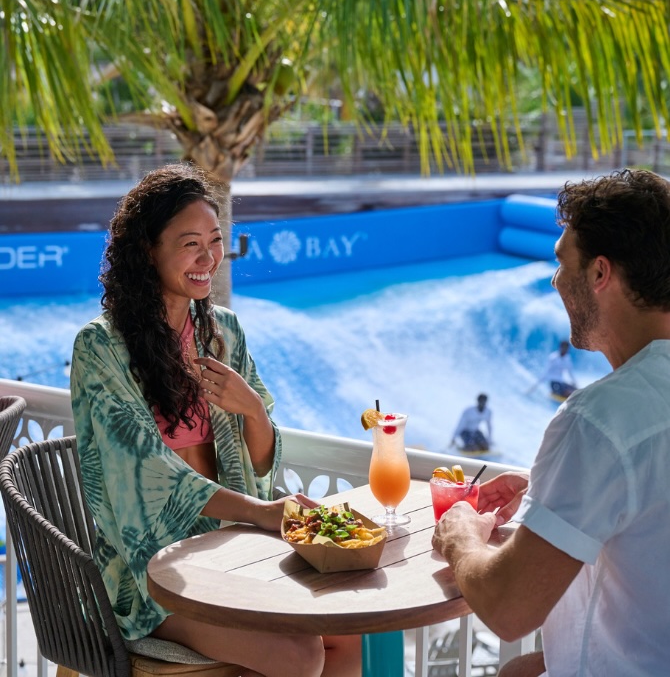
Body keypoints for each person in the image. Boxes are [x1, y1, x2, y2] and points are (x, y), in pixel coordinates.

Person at [70, 164, 361, 677]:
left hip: (231, 550)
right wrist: (262, 512)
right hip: (151, 578)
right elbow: (143, 475)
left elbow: (263, 462)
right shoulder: (102, 348)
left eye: (215, 241)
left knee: (350, 633)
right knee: (298, 652)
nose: (208, 259)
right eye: (189, 244)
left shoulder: (222, 331)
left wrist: (251, 407)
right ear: (146, 250)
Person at [432, 169, 670, 676]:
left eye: (563, 263)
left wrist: (461, 536)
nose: (555, 279)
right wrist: (550, 485)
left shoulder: (601, 420)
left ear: (600, 273)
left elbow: (508, 607)